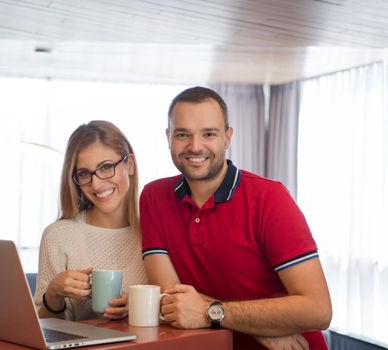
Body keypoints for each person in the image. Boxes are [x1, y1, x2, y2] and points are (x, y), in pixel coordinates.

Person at [140, 86, 332, 350]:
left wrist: (212, 312)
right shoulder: (153, 197)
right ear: (168, 137)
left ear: (228, 138)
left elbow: (319, 310)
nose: (195, 146)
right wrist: (257, 327)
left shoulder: (269, 197)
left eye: (209, 134)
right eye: (183, 134)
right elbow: (175, 300)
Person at [34, 120, 148, 321]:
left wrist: (138, 306)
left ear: (130, 164)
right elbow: (45, 331)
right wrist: (53, 294)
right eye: (84, 173)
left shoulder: (155, 230)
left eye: (106, 167)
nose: (96, 184)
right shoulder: (58, 236)